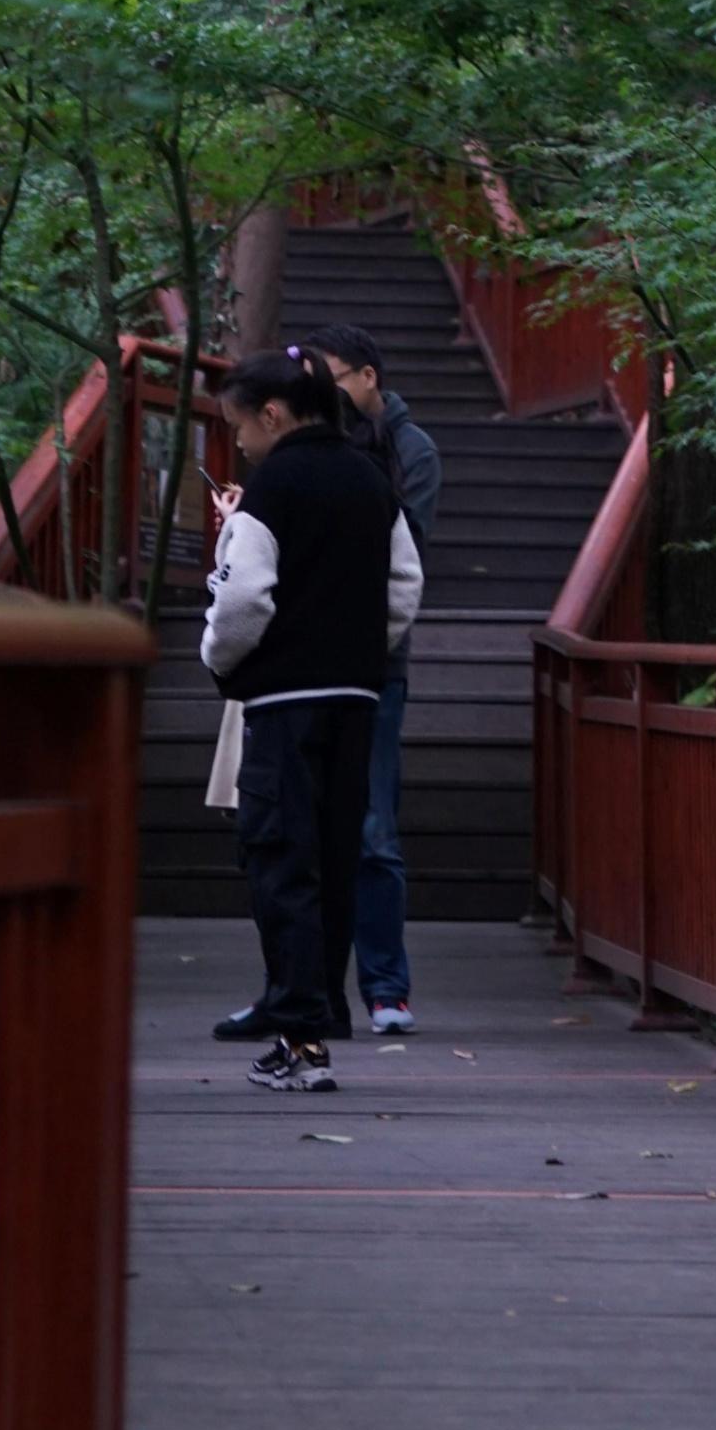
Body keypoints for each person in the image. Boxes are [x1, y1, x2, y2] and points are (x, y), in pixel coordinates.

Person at [198, 346, 422, 1087]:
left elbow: (240, 601)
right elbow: (403, 585)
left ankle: (300, 1036)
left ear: (272, 414)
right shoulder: (371, 480)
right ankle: (316, 1020)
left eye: (240, 426)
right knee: (331, 858)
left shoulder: (273, 487)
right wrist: (359, 650)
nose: (239, 443)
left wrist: (224, 663)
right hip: (355, 698)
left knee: (279, 858)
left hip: (284, 700)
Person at [302, 315, 440, 1038]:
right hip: (302, 663)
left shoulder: (410, 452)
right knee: (299, 829)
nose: (319, 388)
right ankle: (309, 991)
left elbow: (401, 563)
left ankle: (385, 986)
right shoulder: (302, 443)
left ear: (365, 378)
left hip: (376, 663)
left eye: (331, 374)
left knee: (371, 829)